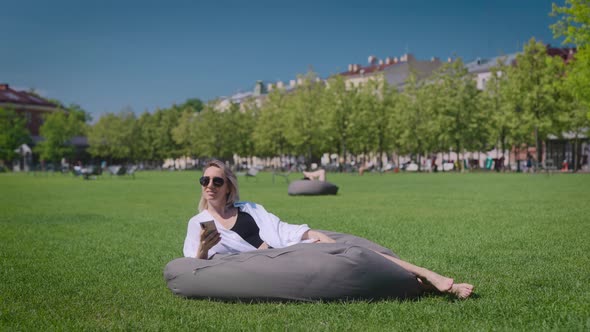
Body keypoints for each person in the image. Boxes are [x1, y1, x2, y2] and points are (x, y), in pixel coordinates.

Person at [183, 159, 474, 299]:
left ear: (228, 186)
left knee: (353, 247)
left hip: (289, 249)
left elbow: (282, 228)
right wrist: (202, 249)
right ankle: (428, 277)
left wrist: (312, 235)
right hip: (272, 263)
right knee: (353, 252)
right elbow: (191, 264)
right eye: (205, 180)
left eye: (216, 181)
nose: (209, 186)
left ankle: (426, 278)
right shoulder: (197, 223)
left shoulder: (250, 208)